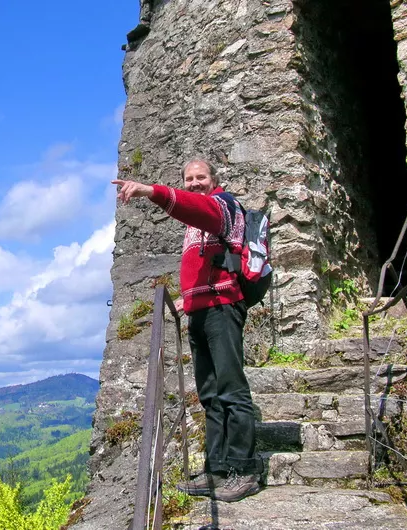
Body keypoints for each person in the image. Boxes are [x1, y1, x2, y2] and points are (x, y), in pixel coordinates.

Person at [111, 158, 262, 503]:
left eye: (200, 177)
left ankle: (245, 470)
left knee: (231, 389)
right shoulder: (198, 225)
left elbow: (199, 209)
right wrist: (186, 299)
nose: (194, 183)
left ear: (214, 180)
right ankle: (217, 469)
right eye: (189, 179)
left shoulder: (224, 206)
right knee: (209, 393)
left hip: (223, 310)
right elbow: (201, 266)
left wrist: (152, 192)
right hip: (201, 310)